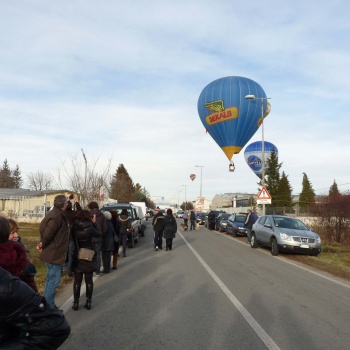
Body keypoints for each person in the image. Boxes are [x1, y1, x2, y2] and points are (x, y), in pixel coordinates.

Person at [0, 267, 71, 349]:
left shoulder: (6, 286)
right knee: (52, 280)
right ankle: (48, 305)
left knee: (52, 280)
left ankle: (47, 306)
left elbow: (55, 328)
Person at [37, 194, 69, 307]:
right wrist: (43, 244)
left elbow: (43, 228)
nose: (67, 204)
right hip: (54, 253)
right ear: (64, 204)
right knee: (54, 282)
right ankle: (48, 307)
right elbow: (47, 234)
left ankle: (47, 304)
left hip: (54, 252)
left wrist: (43, 243)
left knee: (51, 280)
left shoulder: (55, 213)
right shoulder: (56, 216)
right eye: (66, 203)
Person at [70, 210, 101, 311]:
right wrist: (95, 222)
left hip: (77, 254)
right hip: (88, 255)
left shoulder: (73, 226)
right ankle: (88, 301)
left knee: (77, 281)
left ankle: (76, 302)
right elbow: (99, 234)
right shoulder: (90, 226)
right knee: (89, 280)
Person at [8, 218, 38, 292]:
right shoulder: (6, 254)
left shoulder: (18, 246)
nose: (16, 235)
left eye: (16, 232)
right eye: (13, 232)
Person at [88, 201, 107, 276]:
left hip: (90, 238)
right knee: (98, 255)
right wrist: (100, 234)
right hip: (99, 238)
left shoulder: (88, 215)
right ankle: (97, 271)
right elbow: (105, 227)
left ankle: (90, 270)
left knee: (90, 254)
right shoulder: (102, 215)